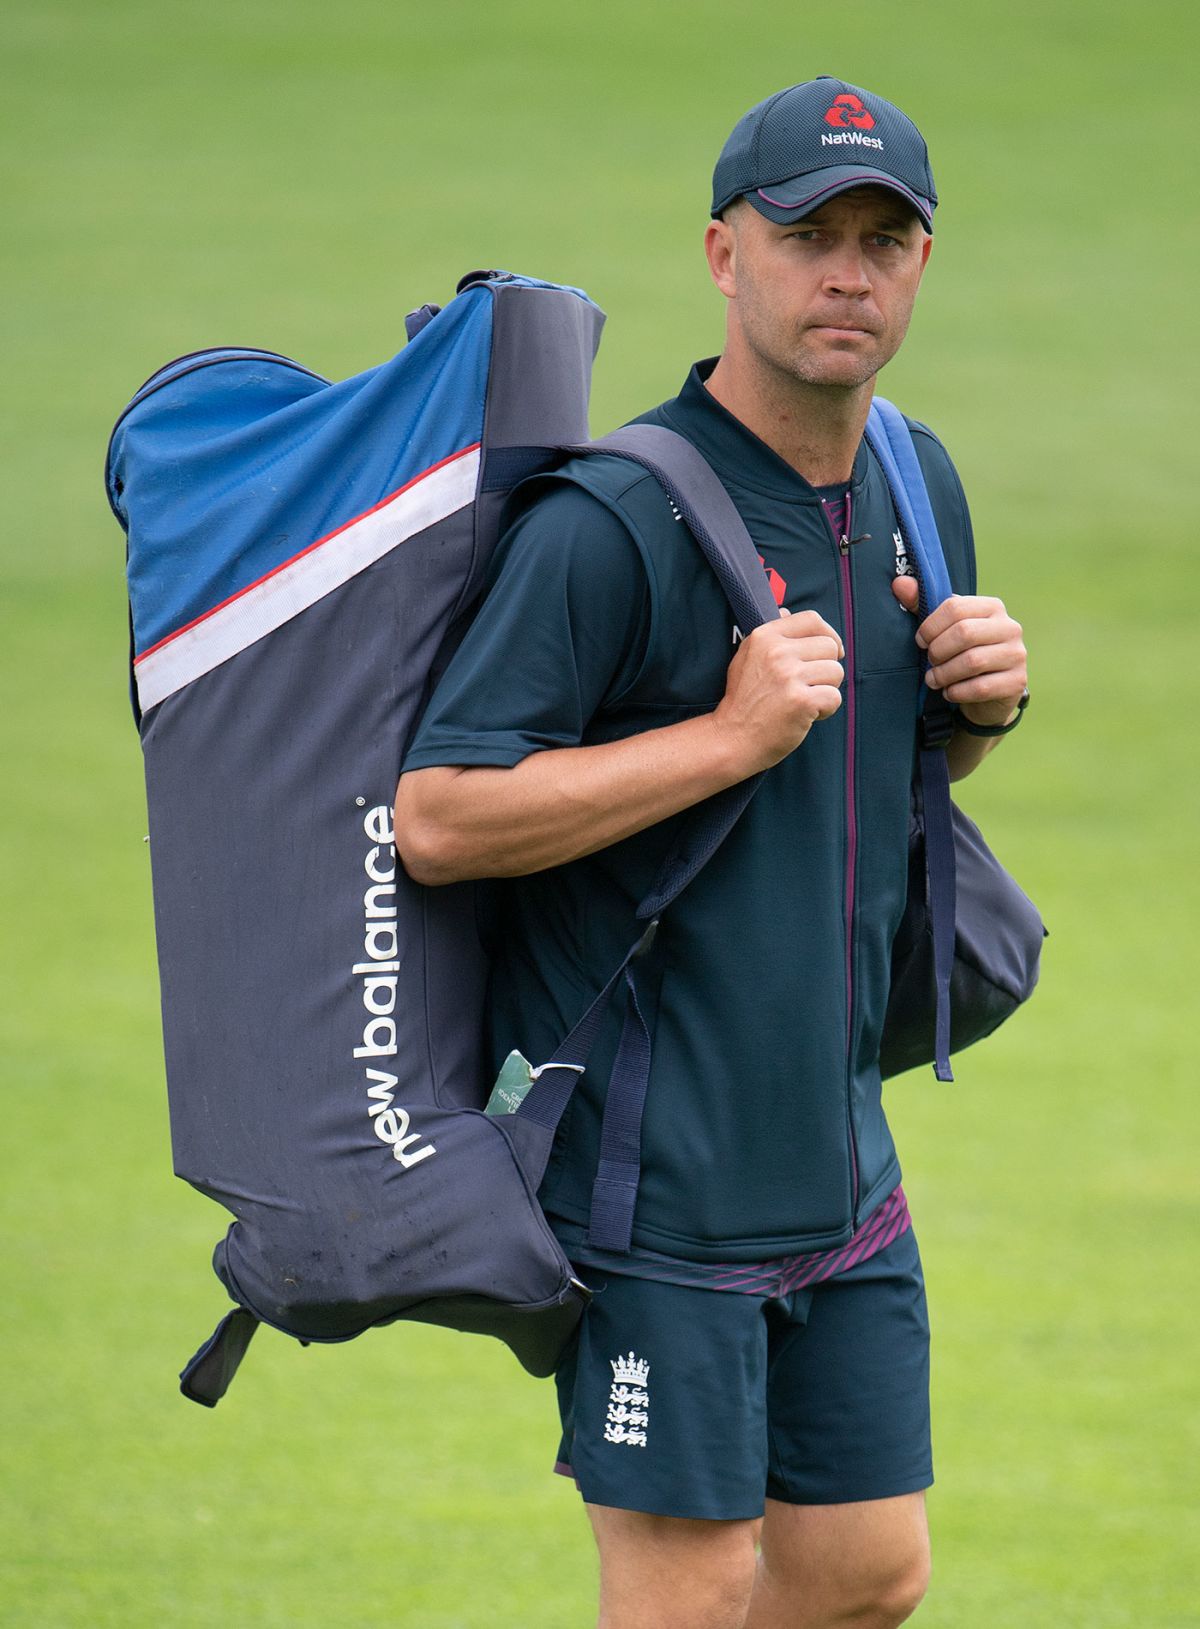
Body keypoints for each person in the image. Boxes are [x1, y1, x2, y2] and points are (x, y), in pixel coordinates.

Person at [395, 76, 1028, 1629]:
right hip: (655, 1192)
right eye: (809, 233)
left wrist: (980, 712)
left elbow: (864, 782)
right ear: (722, 253)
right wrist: (726, 737)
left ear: (923, 268)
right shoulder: (612, 520)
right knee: (683, 1597)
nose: (848, 273)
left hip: (840, 1162)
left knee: (868, 1576)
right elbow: (443, 815)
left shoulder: (913, 483)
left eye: (886, 239)